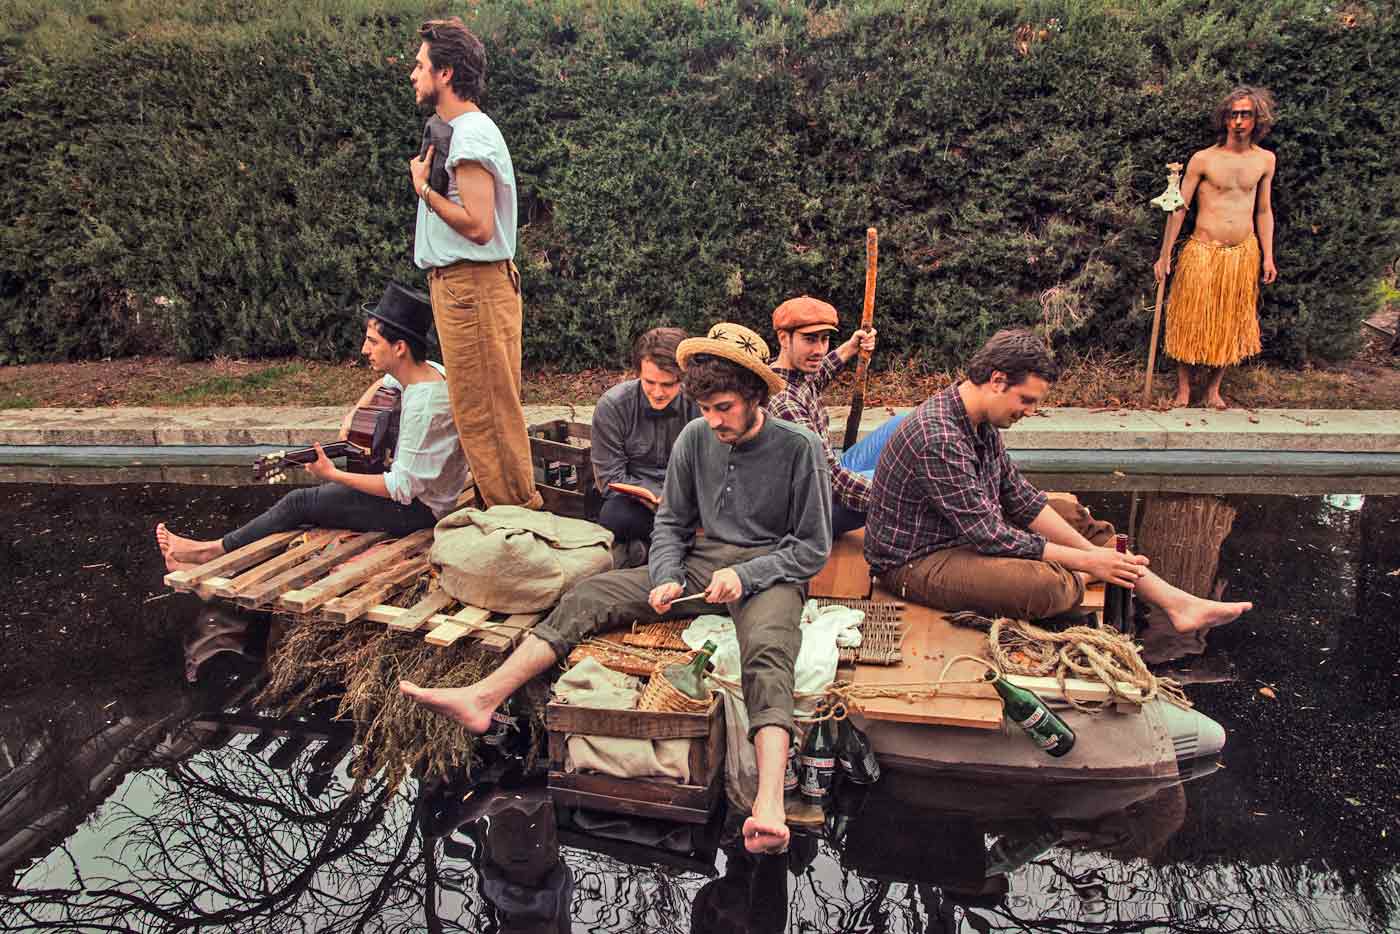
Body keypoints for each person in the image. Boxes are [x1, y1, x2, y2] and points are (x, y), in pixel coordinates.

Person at [401, 323, 832, 856]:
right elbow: (671, 523)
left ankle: (768, 805)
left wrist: (748, 576)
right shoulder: (696, 437)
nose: (713, 420)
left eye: (723, 408)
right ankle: (483, 696)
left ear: (755, 397)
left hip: (771, 573)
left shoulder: (799, 447)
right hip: (703, 566)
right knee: (590, 596)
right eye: (705, 409)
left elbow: (812, 549)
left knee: (766, 650)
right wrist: (667, 573)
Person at [863, 328, 1252, 632]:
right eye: (1027, 400)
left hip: (960, 535)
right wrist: (1089, 560)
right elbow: (990, 537)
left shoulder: (979, 422)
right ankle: (1088, 575)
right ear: (997, 380)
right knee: (1045, 588)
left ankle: (1174, 601)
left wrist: (1091, 552)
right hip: (916, 562)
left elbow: (1020, 499)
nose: (1030, 412)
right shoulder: (939, 437)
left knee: (1074, 516)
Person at [156, 283, 468, 572]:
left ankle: (210, 552)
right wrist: (356, 412)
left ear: (399, 348)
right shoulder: (430, 371)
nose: (364, 349)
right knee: (312, 504)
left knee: (300, 503)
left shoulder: (424, 409)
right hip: (420, 495)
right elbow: (386, 382)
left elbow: (401, 488)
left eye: (373, 342)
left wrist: (332, 474)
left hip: (418, 511)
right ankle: (220, 556)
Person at [408, 17, 542, 509]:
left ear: (445, 73)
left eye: (420, 65)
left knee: (487, 412)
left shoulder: (470, 135)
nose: (413, 74)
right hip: (463, 288)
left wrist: (423, 189)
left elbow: (480, 225)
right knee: (478, 408)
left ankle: (517, 521)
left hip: (472, 286)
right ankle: (504, 514)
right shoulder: (462, 131)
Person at [1154, 86, 1278, 410]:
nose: (1238, 121)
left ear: (1257, 119)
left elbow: (1264, 210)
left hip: (1241, 254)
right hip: (1202, 250)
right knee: (1189, 320)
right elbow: (1179, 208)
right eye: (1233, 114)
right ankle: (1183, 390)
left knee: (1230, 323)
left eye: (1245, 115)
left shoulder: (1265, 160)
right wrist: (1165, 255)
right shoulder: (1203, 159)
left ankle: (1213, 390)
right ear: (1225, 118)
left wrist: (1268, 256)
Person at [766, 296, 878, 537]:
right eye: (809, 339)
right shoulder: (783, 403)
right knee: (901, 479)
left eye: (824, 339)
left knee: (903, 425)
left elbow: (819, 374)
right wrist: (900, 498)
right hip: (813, 504)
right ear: (783, 338)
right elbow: (832, 482)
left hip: (829, 471)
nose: (818, 349)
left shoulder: (790, 370)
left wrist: (851, 346)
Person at [590, 327, 699, 553]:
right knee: (614, 516)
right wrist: (655, 497)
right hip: (635, 503)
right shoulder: (613, 406)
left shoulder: (699, 405)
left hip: (686, 500)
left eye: (668, 384)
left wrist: (678, 498)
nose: (658, 393)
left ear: (683, 378)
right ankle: (677, 542)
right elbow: (609, 477)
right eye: (649, 382)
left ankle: (650, 547)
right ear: (638, 373)